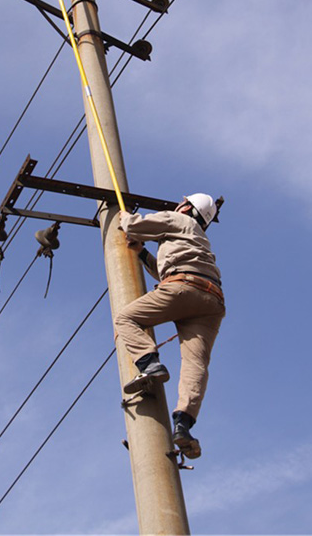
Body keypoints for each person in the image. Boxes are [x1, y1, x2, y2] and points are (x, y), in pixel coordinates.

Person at [115, 194, 225, 459]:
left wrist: (124, 218)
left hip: (183, 287)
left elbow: (134, 225)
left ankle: (149, 363)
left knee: (126, 319)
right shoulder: (198, 238)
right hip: (211, 300)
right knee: (195, 364)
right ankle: (183, 423)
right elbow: (167, 270)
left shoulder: (177, 219)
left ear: (186, 207)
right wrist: (141, 252)